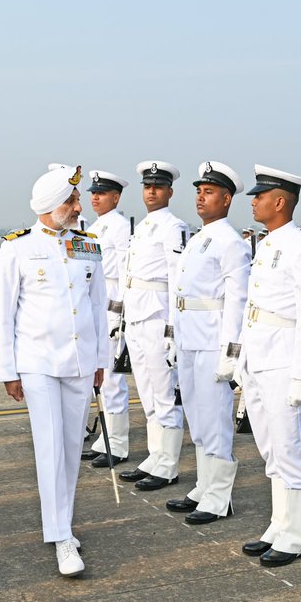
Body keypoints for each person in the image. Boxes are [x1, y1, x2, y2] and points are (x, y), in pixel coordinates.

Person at [0, 164, 107, 577]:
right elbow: (3, 314)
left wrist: (100, 361)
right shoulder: (17, 248)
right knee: (50, 445)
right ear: (47, 206)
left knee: (70, 449)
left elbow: (97, 305)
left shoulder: (87, 245)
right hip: (38, 363)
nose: (79, 207)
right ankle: (60, 536)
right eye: (71, 201)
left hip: (79, 362)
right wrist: (8, 369)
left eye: (77, 200)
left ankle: (65, 523)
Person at [238, 165, 301, 566]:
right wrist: (241, 357)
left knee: (290, 447)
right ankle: (279, 523)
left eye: (260, 196)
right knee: (270, 447)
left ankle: (295, 536)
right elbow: (253, 307)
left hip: (283, 359)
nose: (253, 201)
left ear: (280, 201)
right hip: (259, 356)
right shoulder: (269, 244)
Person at [164, 161, 251, 524]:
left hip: (213, 339)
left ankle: (219, 497)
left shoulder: (231, 242)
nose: (201, 197)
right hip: (189, 336)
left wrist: (231, 352)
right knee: (197, 417)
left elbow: (237, 299)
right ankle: (204, 485)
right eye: (199, 191)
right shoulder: (199, 239)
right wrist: (173, 336)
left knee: (215, 418)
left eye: (209, 192)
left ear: (227, 198)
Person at [118, 161, 189, 490]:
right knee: (146, 393)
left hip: (158, 317)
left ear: (169, 192)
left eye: (158, 187)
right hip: (135, 316)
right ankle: (155, 456)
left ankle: (169, 465)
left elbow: (177, 278)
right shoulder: (144, 226)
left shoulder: (173, 226)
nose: (151, 191)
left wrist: (174, 328)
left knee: (163, 394)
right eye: (147, 187)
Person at [82, 170, 133, 467]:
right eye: (93, 193)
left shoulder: (120, 227)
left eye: (101, 193)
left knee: (112, 379)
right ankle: (105, 440)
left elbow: (126, 270)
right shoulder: (96, 227)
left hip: (112, 306)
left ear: (116, 197)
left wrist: (122, 310)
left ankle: (118, 444)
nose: (95, 198)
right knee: (98, 379)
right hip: (95, 306)